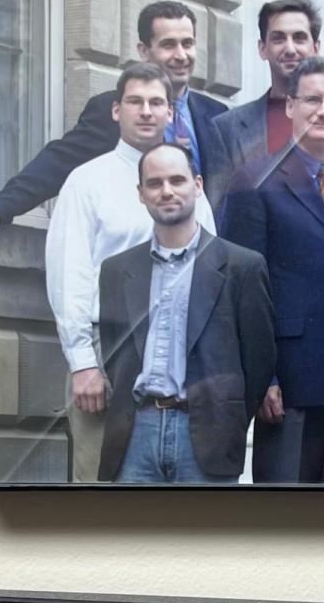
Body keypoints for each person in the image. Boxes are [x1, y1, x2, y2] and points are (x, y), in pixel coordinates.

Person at [43, 62, 216, 484]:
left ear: (170, 113)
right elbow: (71, 275)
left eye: (157, 102)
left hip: (180, 357)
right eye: (135, 101)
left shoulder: (190, 187)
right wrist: (84, 363)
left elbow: (212, 276)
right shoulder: (87, 182)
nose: (146, 111)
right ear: (116, 111)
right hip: (111, 353)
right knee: (103, 488)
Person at [96, 144, 276, 485]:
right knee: (130, 538)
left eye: (177, 180)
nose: (166, 191)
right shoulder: (117, 270)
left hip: (207, 434)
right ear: (141, 193)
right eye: (155, 183)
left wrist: (227, 418)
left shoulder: (242, 266)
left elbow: (259, 360)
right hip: (135, 433)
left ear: (197, 185)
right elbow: (115, 354)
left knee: (204, 538)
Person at [0, 0, 228, 236]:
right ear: (144, 51)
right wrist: (0, 207)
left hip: (208, 266)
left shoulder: (218, 117)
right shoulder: (113, 109)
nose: (181, 55)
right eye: (168, 44)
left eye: (188, 43)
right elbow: (59, 161)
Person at [219, 57, 324, 482]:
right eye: (313, 99)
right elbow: (240, 289)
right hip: (292, 381)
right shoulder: (255, 181)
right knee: (287, 513)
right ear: (289, 107)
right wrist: (266, 377)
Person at [208, 0, 324, 199]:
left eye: (299, 38)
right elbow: (219, 209)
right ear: (262, 48)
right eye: (278, 38)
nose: (290, 49)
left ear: (316, 47)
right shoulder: (228, 128)